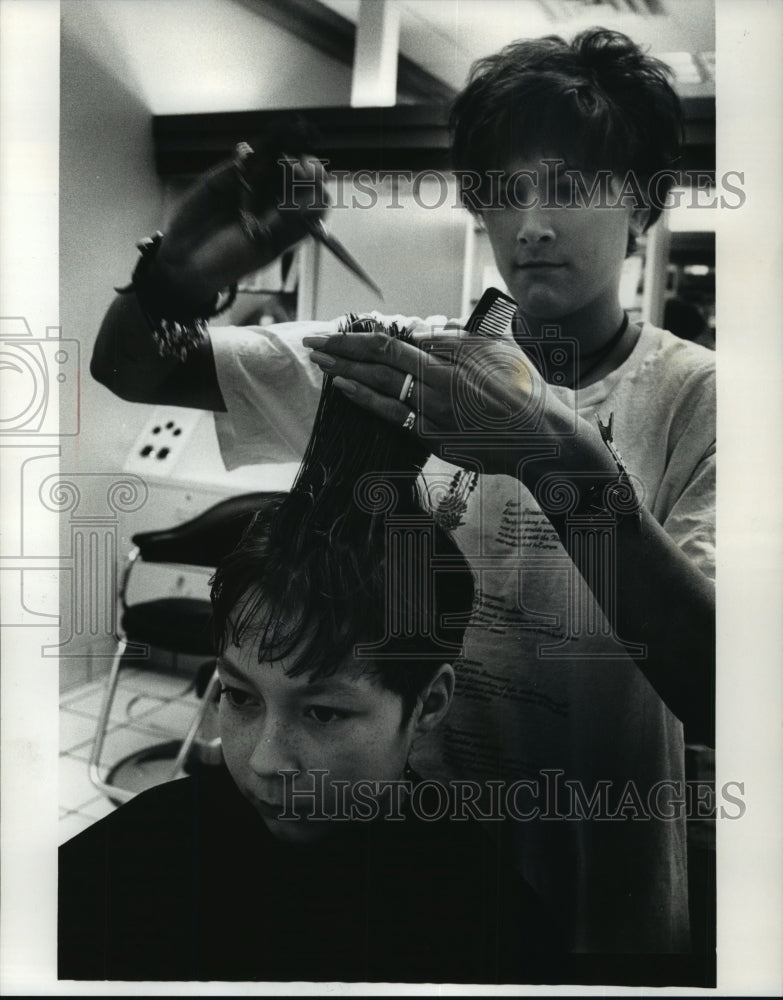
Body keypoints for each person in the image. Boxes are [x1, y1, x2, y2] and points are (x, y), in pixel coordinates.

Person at [90, 28, 716, 968]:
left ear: (644, 206)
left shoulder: (703, 401)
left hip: (599, 903)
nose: (531, 225)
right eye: (502, 192)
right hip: (404, 891)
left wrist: (550, 452)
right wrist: (175, 274)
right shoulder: (410, 361)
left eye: (570, 187)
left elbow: (725, 686)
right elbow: (134, 364)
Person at [59, 475, 556, 983]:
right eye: (241, 696)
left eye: (322, 712)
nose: (264, 761)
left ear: (428, 704)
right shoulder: (146, 854)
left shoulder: (484, 924)